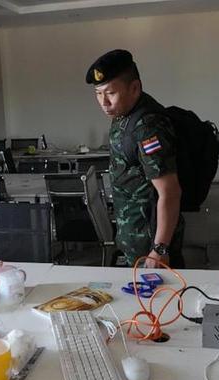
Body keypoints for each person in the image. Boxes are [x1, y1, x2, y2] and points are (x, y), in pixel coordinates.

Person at [86, 49, 184, 268]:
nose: (104, 102)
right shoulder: (124, 115)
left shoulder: (148, 127)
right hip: (135, 238)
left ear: (134, 88)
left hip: (151, 246)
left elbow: (170, 192)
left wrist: (160, 249)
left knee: (161, 291)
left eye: (110, 93)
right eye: (98, 93)